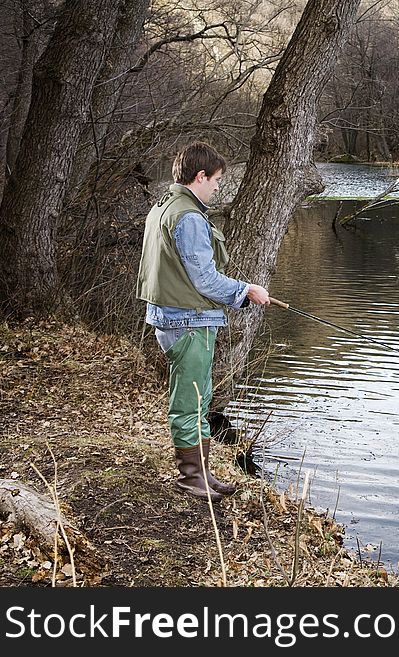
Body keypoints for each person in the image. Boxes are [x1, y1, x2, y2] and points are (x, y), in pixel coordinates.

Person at [136, 141, 270, 501]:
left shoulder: (163, 206)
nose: (217, 187)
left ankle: (203, 475)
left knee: (200, 396)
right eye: (216, 181)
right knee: (189, 401)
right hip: (188, 321)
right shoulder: (190, 216)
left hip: (174, 318)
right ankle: (191, 478)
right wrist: (247, 291)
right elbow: (204, 279)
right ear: (200, 176)